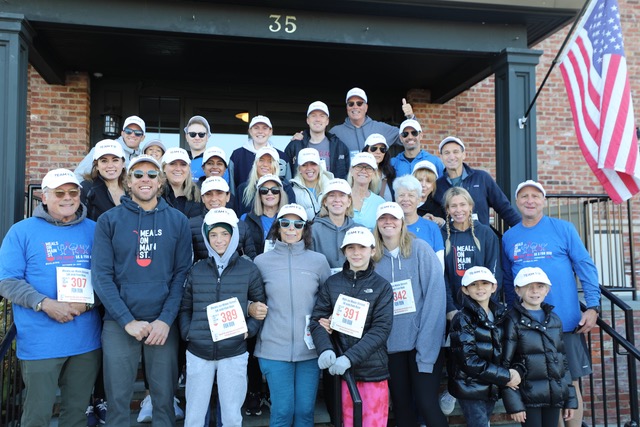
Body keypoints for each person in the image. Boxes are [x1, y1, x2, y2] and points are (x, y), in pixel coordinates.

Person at [91, 155, 192, 426]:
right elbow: (101, 276)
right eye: (138, 174)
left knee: (163, 402)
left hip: (162, 324)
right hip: (119, 322)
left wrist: (165, 320)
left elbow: (182, 274)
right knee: (118, 403)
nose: (144, 179)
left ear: (160, 181)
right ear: (128, 180)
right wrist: (127, 321)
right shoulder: (108, 221)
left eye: (151, 174)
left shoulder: (178, 220)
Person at [0, 168, 101, 427]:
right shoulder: (21, 231)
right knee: (37, 416)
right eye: (59, 193)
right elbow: (7, 281)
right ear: (44, 198)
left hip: (85, 342)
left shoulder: (95, 230)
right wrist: (45, 304)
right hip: (40, 343)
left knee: (77, 415)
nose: (67, 198)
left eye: (73, 192)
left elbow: (109, 279)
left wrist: (90, 302)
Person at [502, 180, 600, 427]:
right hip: (527, 327)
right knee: (543, 389)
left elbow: (585, 266)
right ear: (517, 202)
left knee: (570, 383)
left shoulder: (563, 229)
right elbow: (506, 280)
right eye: (524, 196)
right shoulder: (510, 236)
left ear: (543, 201)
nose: (530, 200)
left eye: (535, 196)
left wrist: (592, 306)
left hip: (564, 323)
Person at [179, 207, 266, 427]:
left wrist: (249, 330)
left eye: (225, 234)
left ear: (234, 235)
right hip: (199, 352)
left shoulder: (249, 269)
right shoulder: (196, 270)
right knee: (194, 417)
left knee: (231, 416)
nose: (219, 240)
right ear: (207, 237)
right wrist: (188, 332)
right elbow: (185, 307)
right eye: (214, 234)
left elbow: (260, 305)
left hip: (233, 351)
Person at [252, 203, 332, 426]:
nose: (291, 228)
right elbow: (248, 296)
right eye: (285, 223)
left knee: (305, 412)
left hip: (310, 349)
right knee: (282, 412)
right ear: (277, 227)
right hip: (273, 349)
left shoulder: (318, 261)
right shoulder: (261, 262)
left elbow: (329, 299)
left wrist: (330, 319)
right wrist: (250, 306)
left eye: (297, 224)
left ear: (304, 229)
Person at [372, 202, 448, 427]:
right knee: (402, 409)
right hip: (391, 347)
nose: (388, 222)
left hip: (422, 345)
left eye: (393, 218)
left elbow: (435, 299)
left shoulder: (421, 249)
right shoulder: (372, 258)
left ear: (402, 222)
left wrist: (426, 349)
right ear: (376, 224)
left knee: (427, 404)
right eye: (383, 218)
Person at [310, 226, 394, 427]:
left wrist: (350, 357)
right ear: (344, 252)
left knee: (373, 422)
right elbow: (317, 320)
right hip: (341, 374)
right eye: (351, 248)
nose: (356, 253)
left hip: (373, 371)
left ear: (372, 251)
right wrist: (325, 349)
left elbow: (381, 329)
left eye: (362, 248)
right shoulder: (332, 283)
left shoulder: (382, 286)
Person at [502, 267, 578, 427]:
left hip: (554, 396)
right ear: (517, 290)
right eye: (528, 286)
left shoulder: (554, 320)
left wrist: (570, 399)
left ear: (547, 290)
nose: (534, 291)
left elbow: (563, 361)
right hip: (528, 397)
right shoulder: (512, 320)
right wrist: (514, 404)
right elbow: (506, 366)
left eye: (540, 286)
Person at [448, 266, 520, 427]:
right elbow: (468, 361)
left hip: (490, 384)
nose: (480, 288)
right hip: (470, 387)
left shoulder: (501, 314)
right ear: (465, 290)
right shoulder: (462, 319)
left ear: (494, 287)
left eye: (485, 283)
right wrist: (504, 376)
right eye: (473, 285)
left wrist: (513, 372)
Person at [434, 136, 521, 227]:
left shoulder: (482, 178)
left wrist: (523, 229)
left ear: (464, 154)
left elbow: (504, 208)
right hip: (452, 239)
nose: (451, 157)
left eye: (456, 152)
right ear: (441, 157)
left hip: (482, 239)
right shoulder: (437, 186)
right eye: (447, 153)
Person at [442, 186, 500, 314]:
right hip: (454, 309)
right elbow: (442, 275)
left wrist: (488, 305)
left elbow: (494, 271)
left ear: (470, 206)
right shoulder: (442, 235)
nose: (459, 210)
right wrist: (450, 308)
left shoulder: (485, 233)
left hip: (483, 306)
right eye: (453, 206)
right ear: (447, 209)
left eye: (463, 205)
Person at [330, 87, 415, 157]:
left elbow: (411, 136)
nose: (355, 107)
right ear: (347, 108)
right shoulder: (336, 132)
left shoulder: (381, 128)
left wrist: (411, 117)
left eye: (359, 103)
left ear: (366, 107)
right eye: (351, 104)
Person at [191, 176, 256, 262]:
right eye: (208, 194)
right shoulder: (190, 226)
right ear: (203, 198)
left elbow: (250, 262)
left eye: (219, 193)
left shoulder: (241, 226)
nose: (214, 199)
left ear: (228, 196)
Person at [285, 101, 351, 179]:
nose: (317, 119)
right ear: (307, 120)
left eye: (322, 116)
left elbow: (347, 176)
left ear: (327, 121)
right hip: (302, 190)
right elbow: (286, 175)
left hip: (330, 190)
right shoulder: (295, 145)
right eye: (313, 116)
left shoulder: (339, 147)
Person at [393, 175, 445, 270]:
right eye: (401, 195)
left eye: (411, 195)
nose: (406, 199)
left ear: (419, 199)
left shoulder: (431, 227)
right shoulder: (389, 227)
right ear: (395, 199)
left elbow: (439, 264)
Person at [311, 178, 362, 272]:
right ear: (325, 202)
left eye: (342, 195)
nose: (337, 200)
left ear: (349, 201)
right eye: (332, 196)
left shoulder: (361, 230)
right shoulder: (313, 231)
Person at [229, 115, 291, 190]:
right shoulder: (237, 155)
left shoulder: (281, 156)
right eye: (256, 128)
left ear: (270, 131)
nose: (260, 132)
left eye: (265, 128)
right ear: (250, 131)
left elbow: (288, 186)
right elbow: (232, 187)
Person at [75, 115, 146, 179]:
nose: (132, 135)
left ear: (143, 137)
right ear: (122, 133)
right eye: (128, 131)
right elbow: (79, 175)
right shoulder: (104, 148)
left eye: (138, 133)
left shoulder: (143, 158)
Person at [235, 145, 295, 217]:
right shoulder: (243, 189)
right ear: (255, 164)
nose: (265, 165)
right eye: (261, 160)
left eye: (270, 161)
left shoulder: (285, 188)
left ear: (276, 166)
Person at [241, 174, 289, 254]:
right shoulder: (245, 218)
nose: (269, 193)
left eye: (275, 190)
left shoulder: (288, 220)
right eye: (264, 190)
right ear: (259, 195)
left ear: (280, 194)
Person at [80, 139, 127, 221]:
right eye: (104, 161)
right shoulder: (87, 188)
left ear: (123, 163)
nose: (110, 165)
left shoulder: (131, 189)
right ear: (97, 165)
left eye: (115, 160)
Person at [290, 147, 333, 220]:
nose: (309, 168)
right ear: (299, 169)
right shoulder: (292, 192)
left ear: (319, 166)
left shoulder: (331, 187)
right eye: (304, 165)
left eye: (313, 164)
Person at [348, 152, 385, 230]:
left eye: (368, 168)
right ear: (351, 170)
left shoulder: (380, 203)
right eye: (359, 166)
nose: (363, 171)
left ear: (374, 173)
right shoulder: (341, 198)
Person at [161, 147, 202, 218]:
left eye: (183, 164)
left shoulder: (198, 194)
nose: (178, 169)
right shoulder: (155, 195)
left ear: (188, 168)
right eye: (172, 164)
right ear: (164, 167)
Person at [363, 133, 396, 201]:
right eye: (374, 148)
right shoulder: (358, 173)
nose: (378, 152)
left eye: (382, 149)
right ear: (366, 150)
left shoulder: (390, 173)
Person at [412, 160, 446, 225]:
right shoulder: (403, 204)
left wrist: (442, 222)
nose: (423, 185)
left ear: (433, 186)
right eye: (419, 180)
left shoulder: (438, 209)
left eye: (428, 181)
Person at [184, 115, 211, 183]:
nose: (197, 138)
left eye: (201, 134)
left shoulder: (216, 162)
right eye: (192, 134)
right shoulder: (179, 161)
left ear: (207, 137)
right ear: (186, 137)